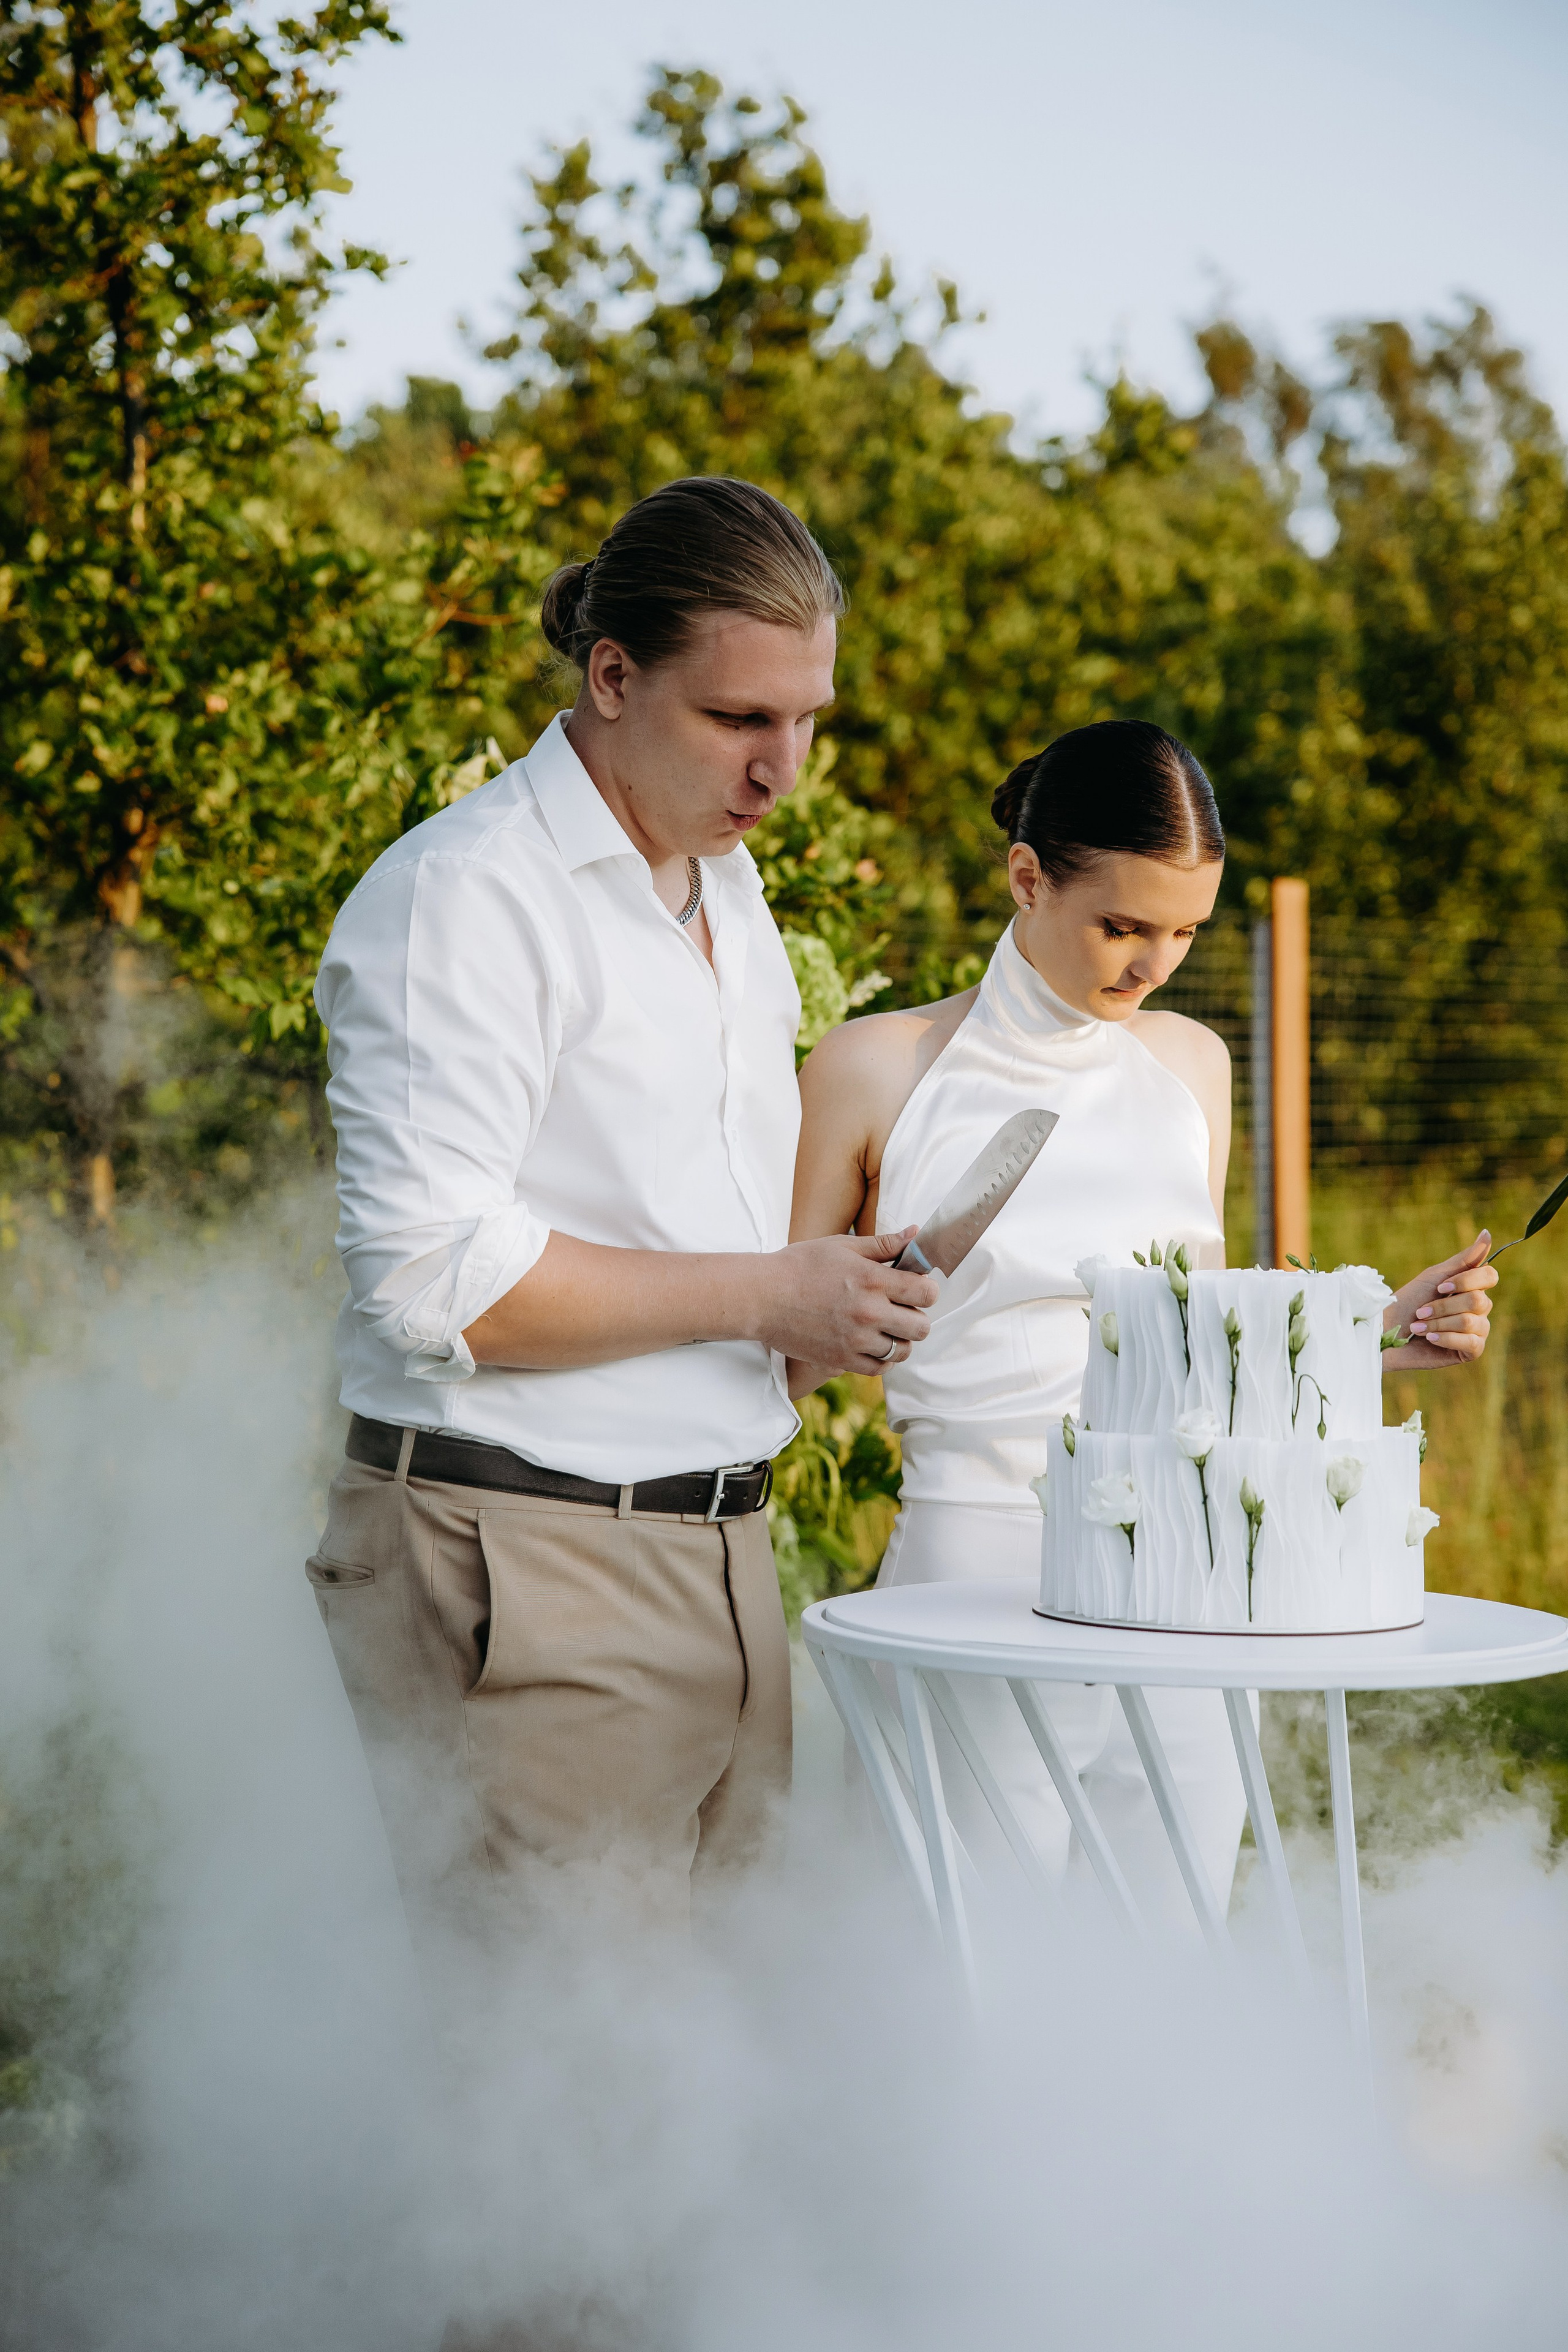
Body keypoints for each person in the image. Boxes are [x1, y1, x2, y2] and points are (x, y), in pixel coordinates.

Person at [306, 477, 938, 1963]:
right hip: (522, 1558)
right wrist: (766, 1295)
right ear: (609, 678)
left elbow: (695, 1240)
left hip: (722, 1554)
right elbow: (435, 1281)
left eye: (808, 720)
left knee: (710, 2084)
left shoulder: (730, 890)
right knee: (554, 2115)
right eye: (739, 721)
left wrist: (830, 1306)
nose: (783, 769)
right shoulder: (464, 897)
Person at [790, 720, 1497, 1922]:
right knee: (959, 1964)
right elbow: (776, 1362)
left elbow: (1187, 1343)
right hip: (977, 1561)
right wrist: (848, 1320)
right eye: (1122, 926)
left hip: (1185, 1572)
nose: (1151, 967)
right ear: (1026, 878)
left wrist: (1369, 1332)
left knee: (1163, 1951)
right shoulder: (874, 1070)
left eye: (1183, 933)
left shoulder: (1187, 1067)